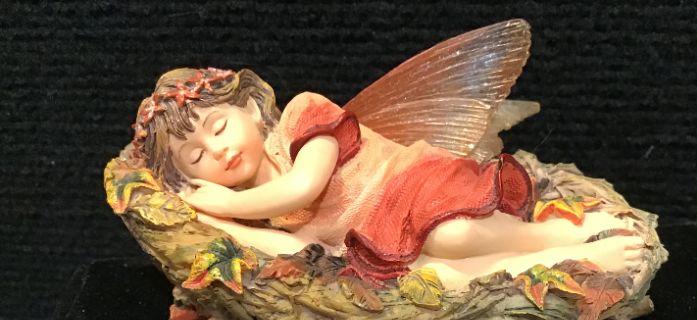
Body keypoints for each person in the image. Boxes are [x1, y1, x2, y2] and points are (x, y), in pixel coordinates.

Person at [131, 67, 644, 290]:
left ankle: (560, 235)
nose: (218, 150)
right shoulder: (264, 215)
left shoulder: (303, 116)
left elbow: (304, 188)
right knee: (438, 278)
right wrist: (209, 219)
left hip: (413, 186)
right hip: (377, 243)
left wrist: (223, 205)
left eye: (219, 127)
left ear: (248, 107)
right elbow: (289, 249)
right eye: (195, 156)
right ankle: (569, 263)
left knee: (453, 235)